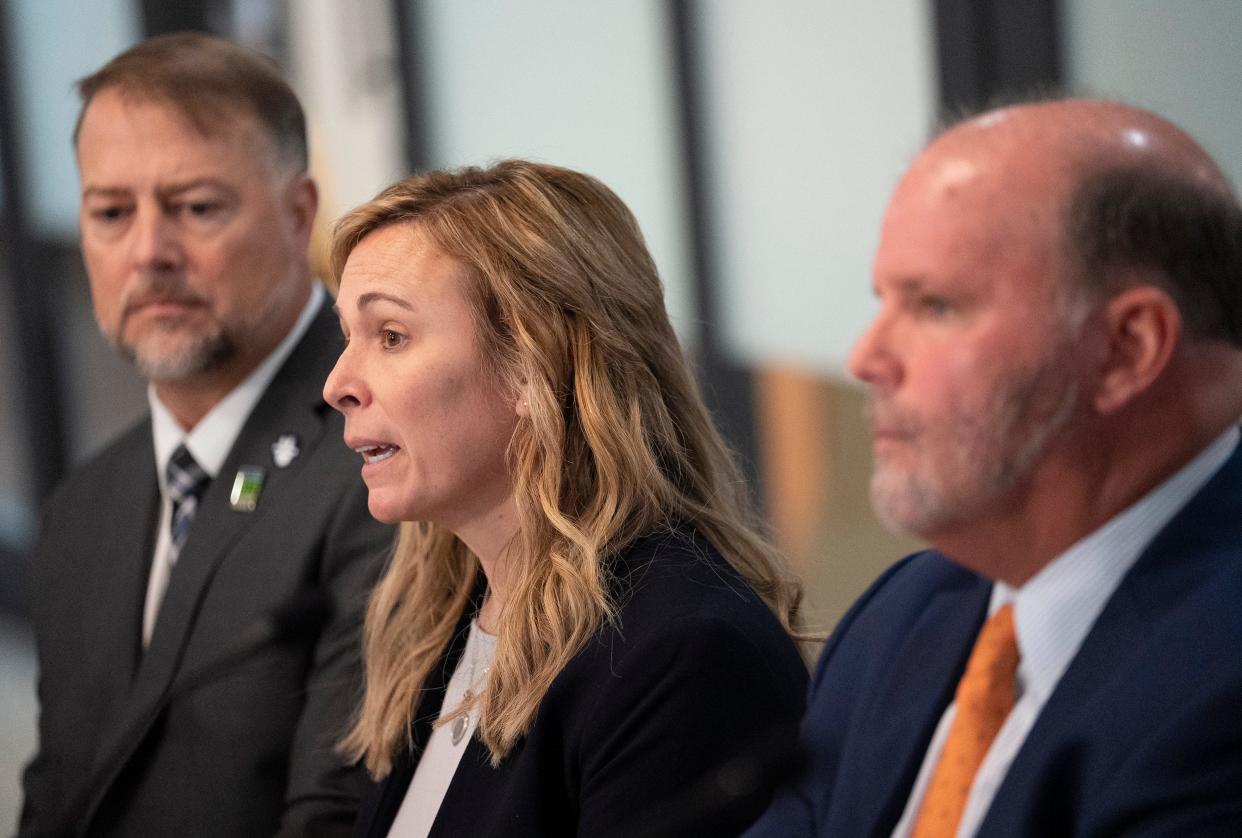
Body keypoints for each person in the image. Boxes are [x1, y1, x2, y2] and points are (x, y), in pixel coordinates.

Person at [746, 98, 1242, 837]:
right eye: (883, 300)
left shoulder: (1219, 679)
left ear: (1127, 349)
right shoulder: (899, 617)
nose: (865, 358)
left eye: (936, 306)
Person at [323, 160, 809, 837]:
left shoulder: (683, 657)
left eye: (392, 337)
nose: (338, 383)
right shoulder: (435, 627)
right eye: (348, 336)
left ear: (533, 365)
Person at [19, 33, 391, 838]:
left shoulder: (386, 462)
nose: (149, 253)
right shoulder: (82, 509)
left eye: (196, 208)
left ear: (300, 216)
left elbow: (336, 816)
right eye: (112, 213)